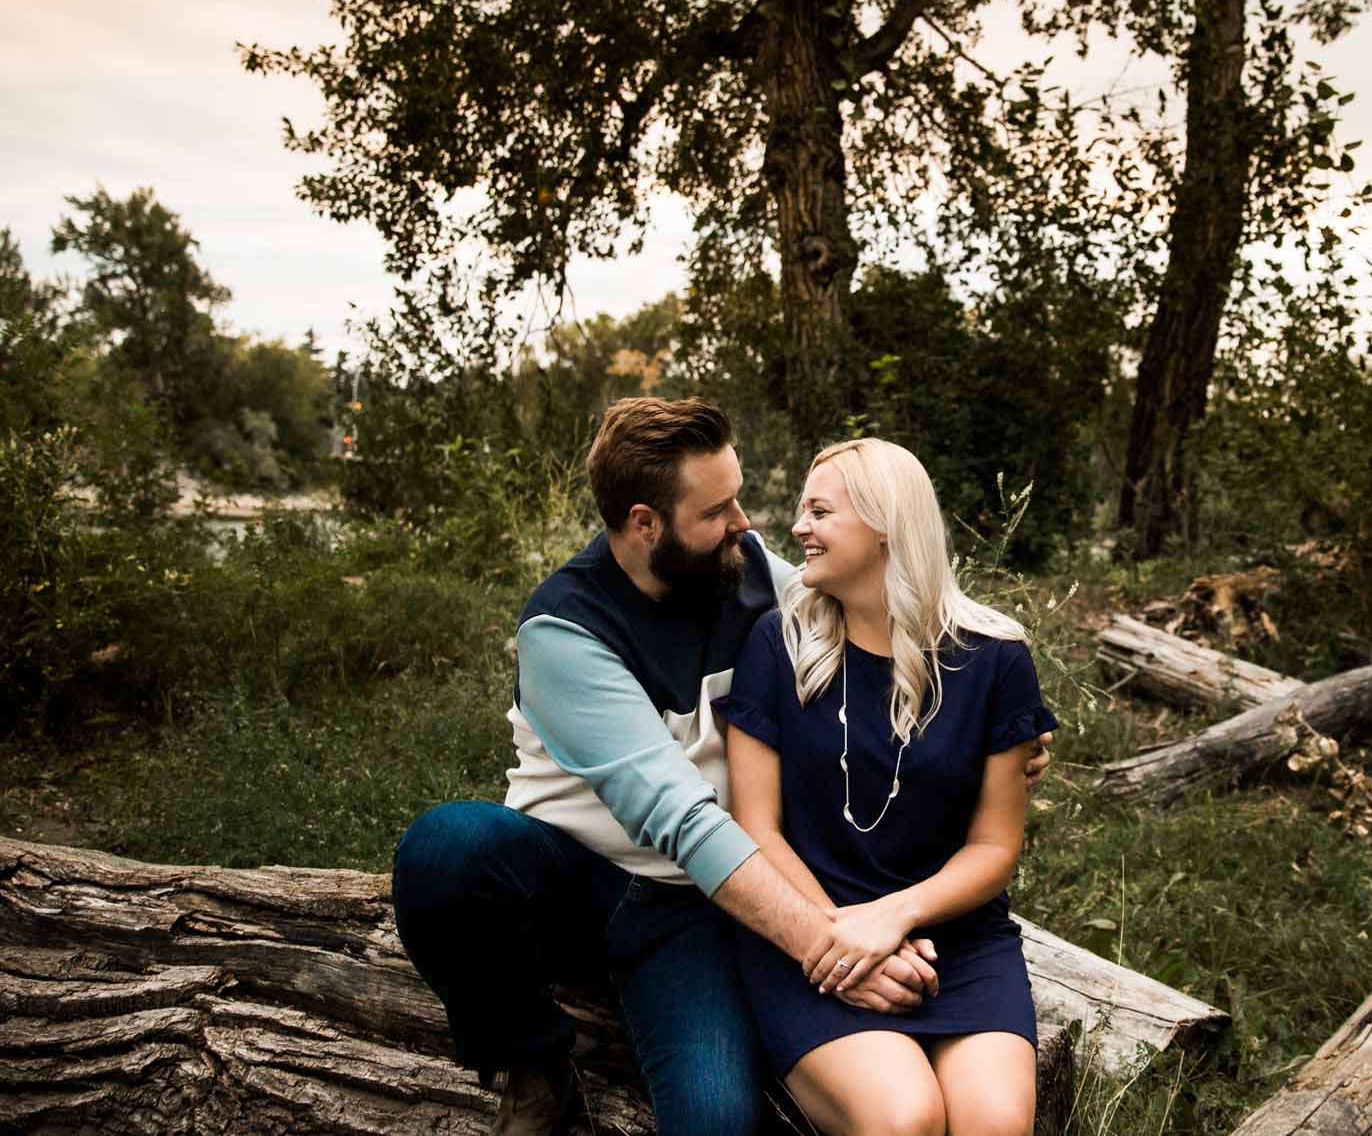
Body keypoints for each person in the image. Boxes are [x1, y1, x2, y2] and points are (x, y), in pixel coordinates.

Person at [389, 399, 1050, 1136]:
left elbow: (889, 598)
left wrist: (995, 719)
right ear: (647, 524)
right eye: (718, 507)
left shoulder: (751, 572)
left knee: (717, 1122)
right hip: (583, 880)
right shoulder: (565, 630)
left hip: (701, 909)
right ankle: (532, 1057)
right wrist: (842, 951)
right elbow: (686, 820)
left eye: (738, 495)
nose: (745, 520)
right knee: (446, 848)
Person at [717, 438, 1059, 1136]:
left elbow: (995, 847)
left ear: (884, 525)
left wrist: (895, 916)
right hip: (807, 929)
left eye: (820, 510)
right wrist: (841, 937)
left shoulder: (994, 659)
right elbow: (756, 826)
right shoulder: (775, 645)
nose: (798, 527)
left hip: (955, 938)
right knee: (905, 1117)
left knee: (994, 1124)